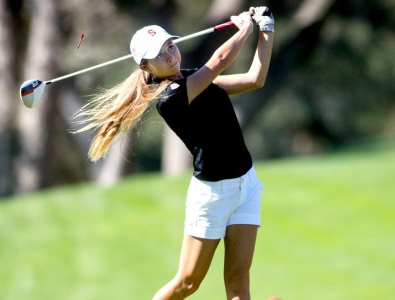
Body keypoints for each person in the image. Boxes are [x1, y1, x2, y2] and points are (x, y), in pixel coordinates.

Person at [74, 6, 274, 299]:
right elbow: (218, 60)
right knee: (187, 283)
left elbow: (255, 79)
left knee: (238, 280)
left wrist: (266, 29)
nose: (169, 55)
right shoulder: (169, 97)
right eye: (158, 54)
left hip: (247, 185)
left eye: (170, 46)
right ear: (145, 67)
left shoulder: (193, 78)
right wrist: (245, 28)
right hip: (213, 196)